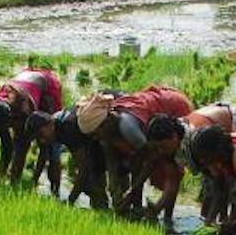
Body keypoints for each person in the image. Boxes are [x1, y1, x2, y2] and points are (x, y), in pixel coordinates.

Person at [77, 86, 193, 215]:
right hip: (153, 114)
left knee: (169, 167)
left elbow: (149, 160)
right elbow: (119, 163)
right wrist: (120, 194)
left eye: (96, 133)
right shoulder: (109, 131)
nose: (96, 138)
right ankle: (142, 210)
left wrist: (133, 192)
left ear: (105, 123)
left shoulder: (128, 128)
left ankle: (168, 217)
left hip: (172, 106)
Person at [140, 102, 236, 224]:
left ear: (173, 137)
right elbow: (172, 180)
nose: (160, 151)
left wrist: (217, 217)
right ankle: (216, 223)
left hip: (235, 122)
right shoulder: (171, 145)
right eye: (157, 148)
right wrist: (159, 212)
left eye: (162, 146)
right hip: (214, 122)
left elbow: (220, 181)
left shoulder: (193, 142)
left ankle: (235, 226)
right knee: (209, 194)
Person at [0, 67, 64, 185]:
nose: (2, 129)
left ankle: (42, 184)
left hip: (47, 87)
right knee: (19, 143)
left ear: (10, 118)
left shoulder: (22, 108)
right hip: (26, 81)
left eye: (4, 126)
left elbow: (22, 146)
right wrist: (0, 178)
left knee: (48, 144)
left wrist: (14, 179)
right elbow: (6, 146)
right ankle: (11, 180)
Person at [24, 107, 105, 206]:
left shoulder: (67, 128)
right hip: (91, 144)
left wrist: (70, 202)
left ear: (49, 125)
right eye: (38, 138)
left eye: (41, 134)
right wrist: (35, 183)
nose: (42, 140)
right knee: (87, 182)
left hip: (104, 142)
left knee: (92, 182)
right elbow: (46, 159)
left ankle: (108, 211)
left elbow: (84, 169)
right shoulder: (55, 123)